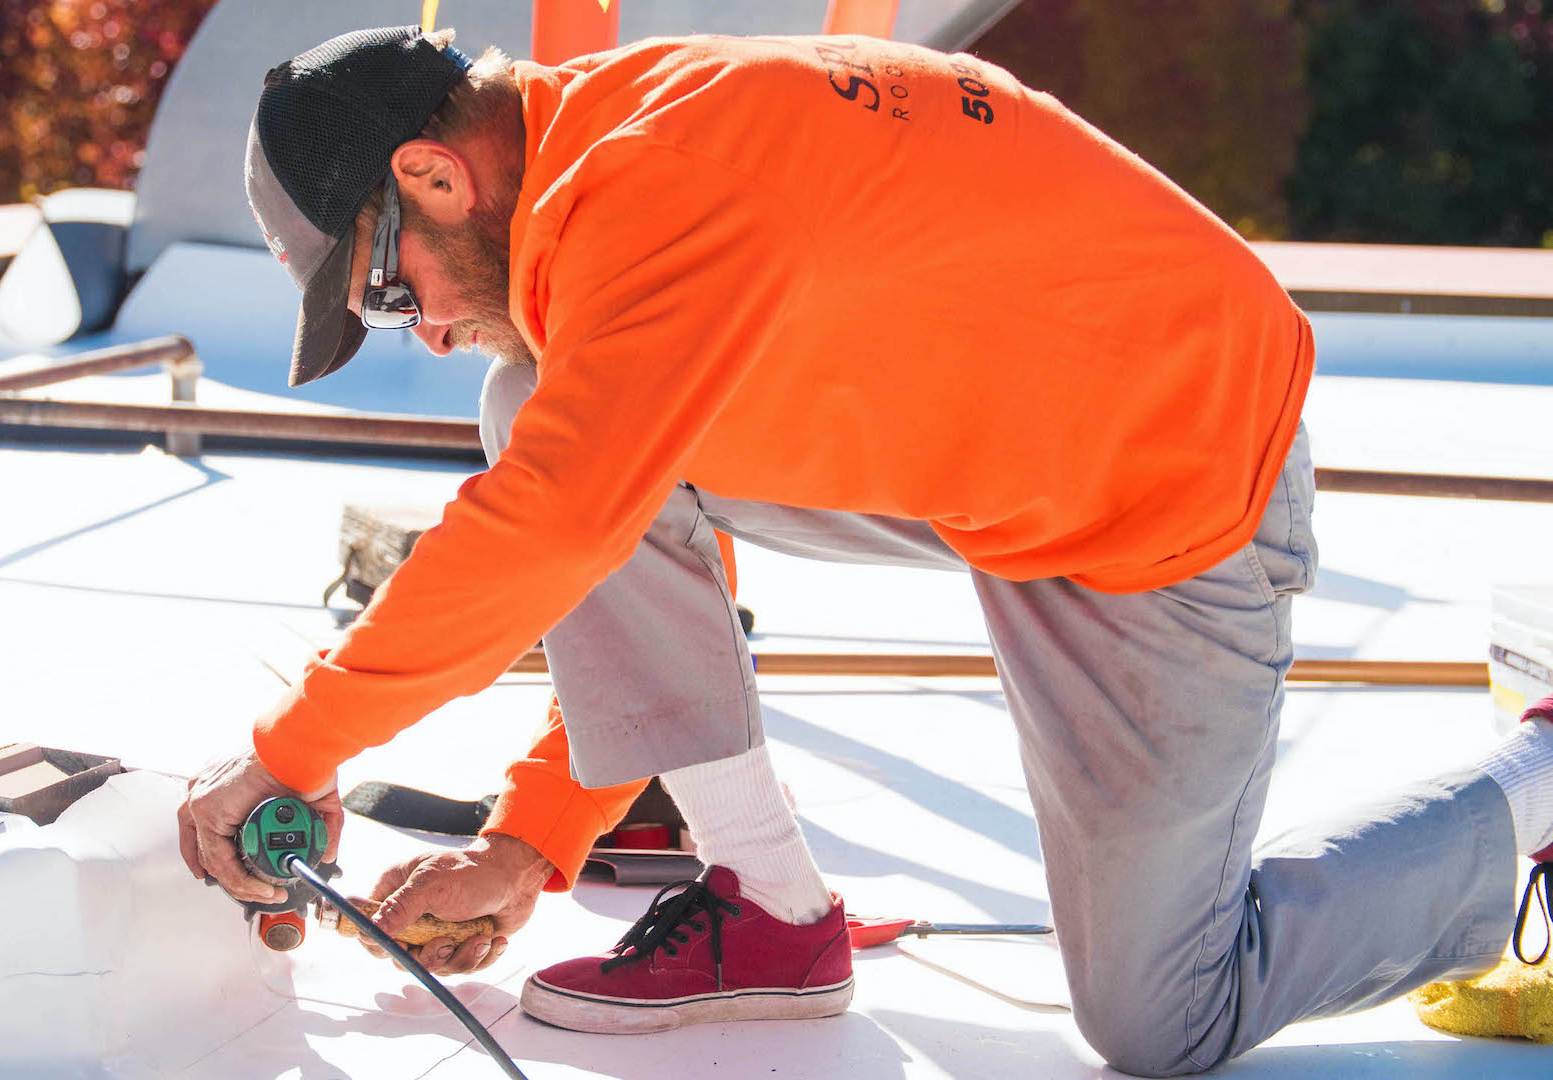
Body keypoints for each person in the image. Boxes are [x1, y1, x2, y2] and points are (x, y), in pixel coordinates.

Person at [178, 24, 1553, 1074]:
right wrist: (533, 845)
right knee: (537, 406)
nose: (412, 325)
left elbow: (565, 518)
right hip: (1012, 460)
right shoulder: (610, 162)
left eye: (381, 282)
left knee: (1165, 1017)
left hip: (1178, 495)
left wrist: (290, 755)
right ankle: (772, 906)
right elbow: (606, 507)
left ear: (433, 173)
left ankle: (1541, 785)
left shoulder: (649, 178)